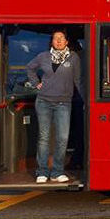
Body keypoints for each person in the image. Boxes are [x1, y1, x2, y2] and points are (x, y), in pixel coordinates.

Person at [26, 30, 81, 183]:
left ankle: (57, 172)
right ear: (52, 41)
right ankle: (42, 171)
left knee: (62, 138)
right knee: (44, 138)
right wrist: (36, 83)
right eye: (56, 38)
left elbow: (78, 80)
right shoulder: (43, 56)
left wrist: (83, 99)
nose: (58, 41)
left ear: (66, 41)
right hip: (43, 101)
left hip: (64, 103)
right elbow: (30, 68)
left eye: (61, 38)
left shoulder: (74, 58)